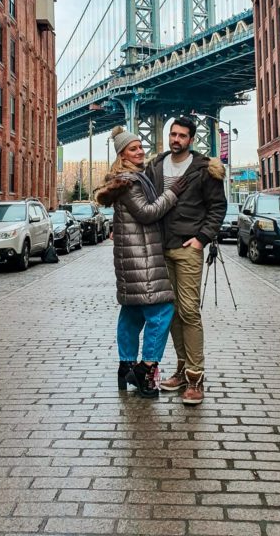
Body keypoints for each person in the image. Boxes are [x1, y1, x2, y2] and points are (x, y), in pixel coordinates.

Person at [95, 125, 187, 398]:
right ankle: (146, 371)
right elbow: (147, 213)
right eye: (133, 148)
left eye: (140, 147)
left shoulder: (132, 178)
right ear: (122, 154)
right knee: (162, 311)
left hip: (132, 256)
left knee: (133, 312)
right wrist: (173, 194)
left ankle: (126, 367)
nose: (140, 151)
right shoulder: (130, 182)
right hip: (141, 257)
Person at [145, 116, 226, 405]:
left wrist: (201, 239)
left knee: (189, 310)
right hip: (160, 248)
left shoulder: (204, 169)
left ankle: (195, 377)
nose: (175, 139)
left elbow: (218, 207)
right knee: (172, 312)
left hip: (187, 248)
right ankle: (180, 368)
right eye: (172, 134)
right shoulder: (155, 165)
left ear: (191, 139)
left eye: (182, 135)